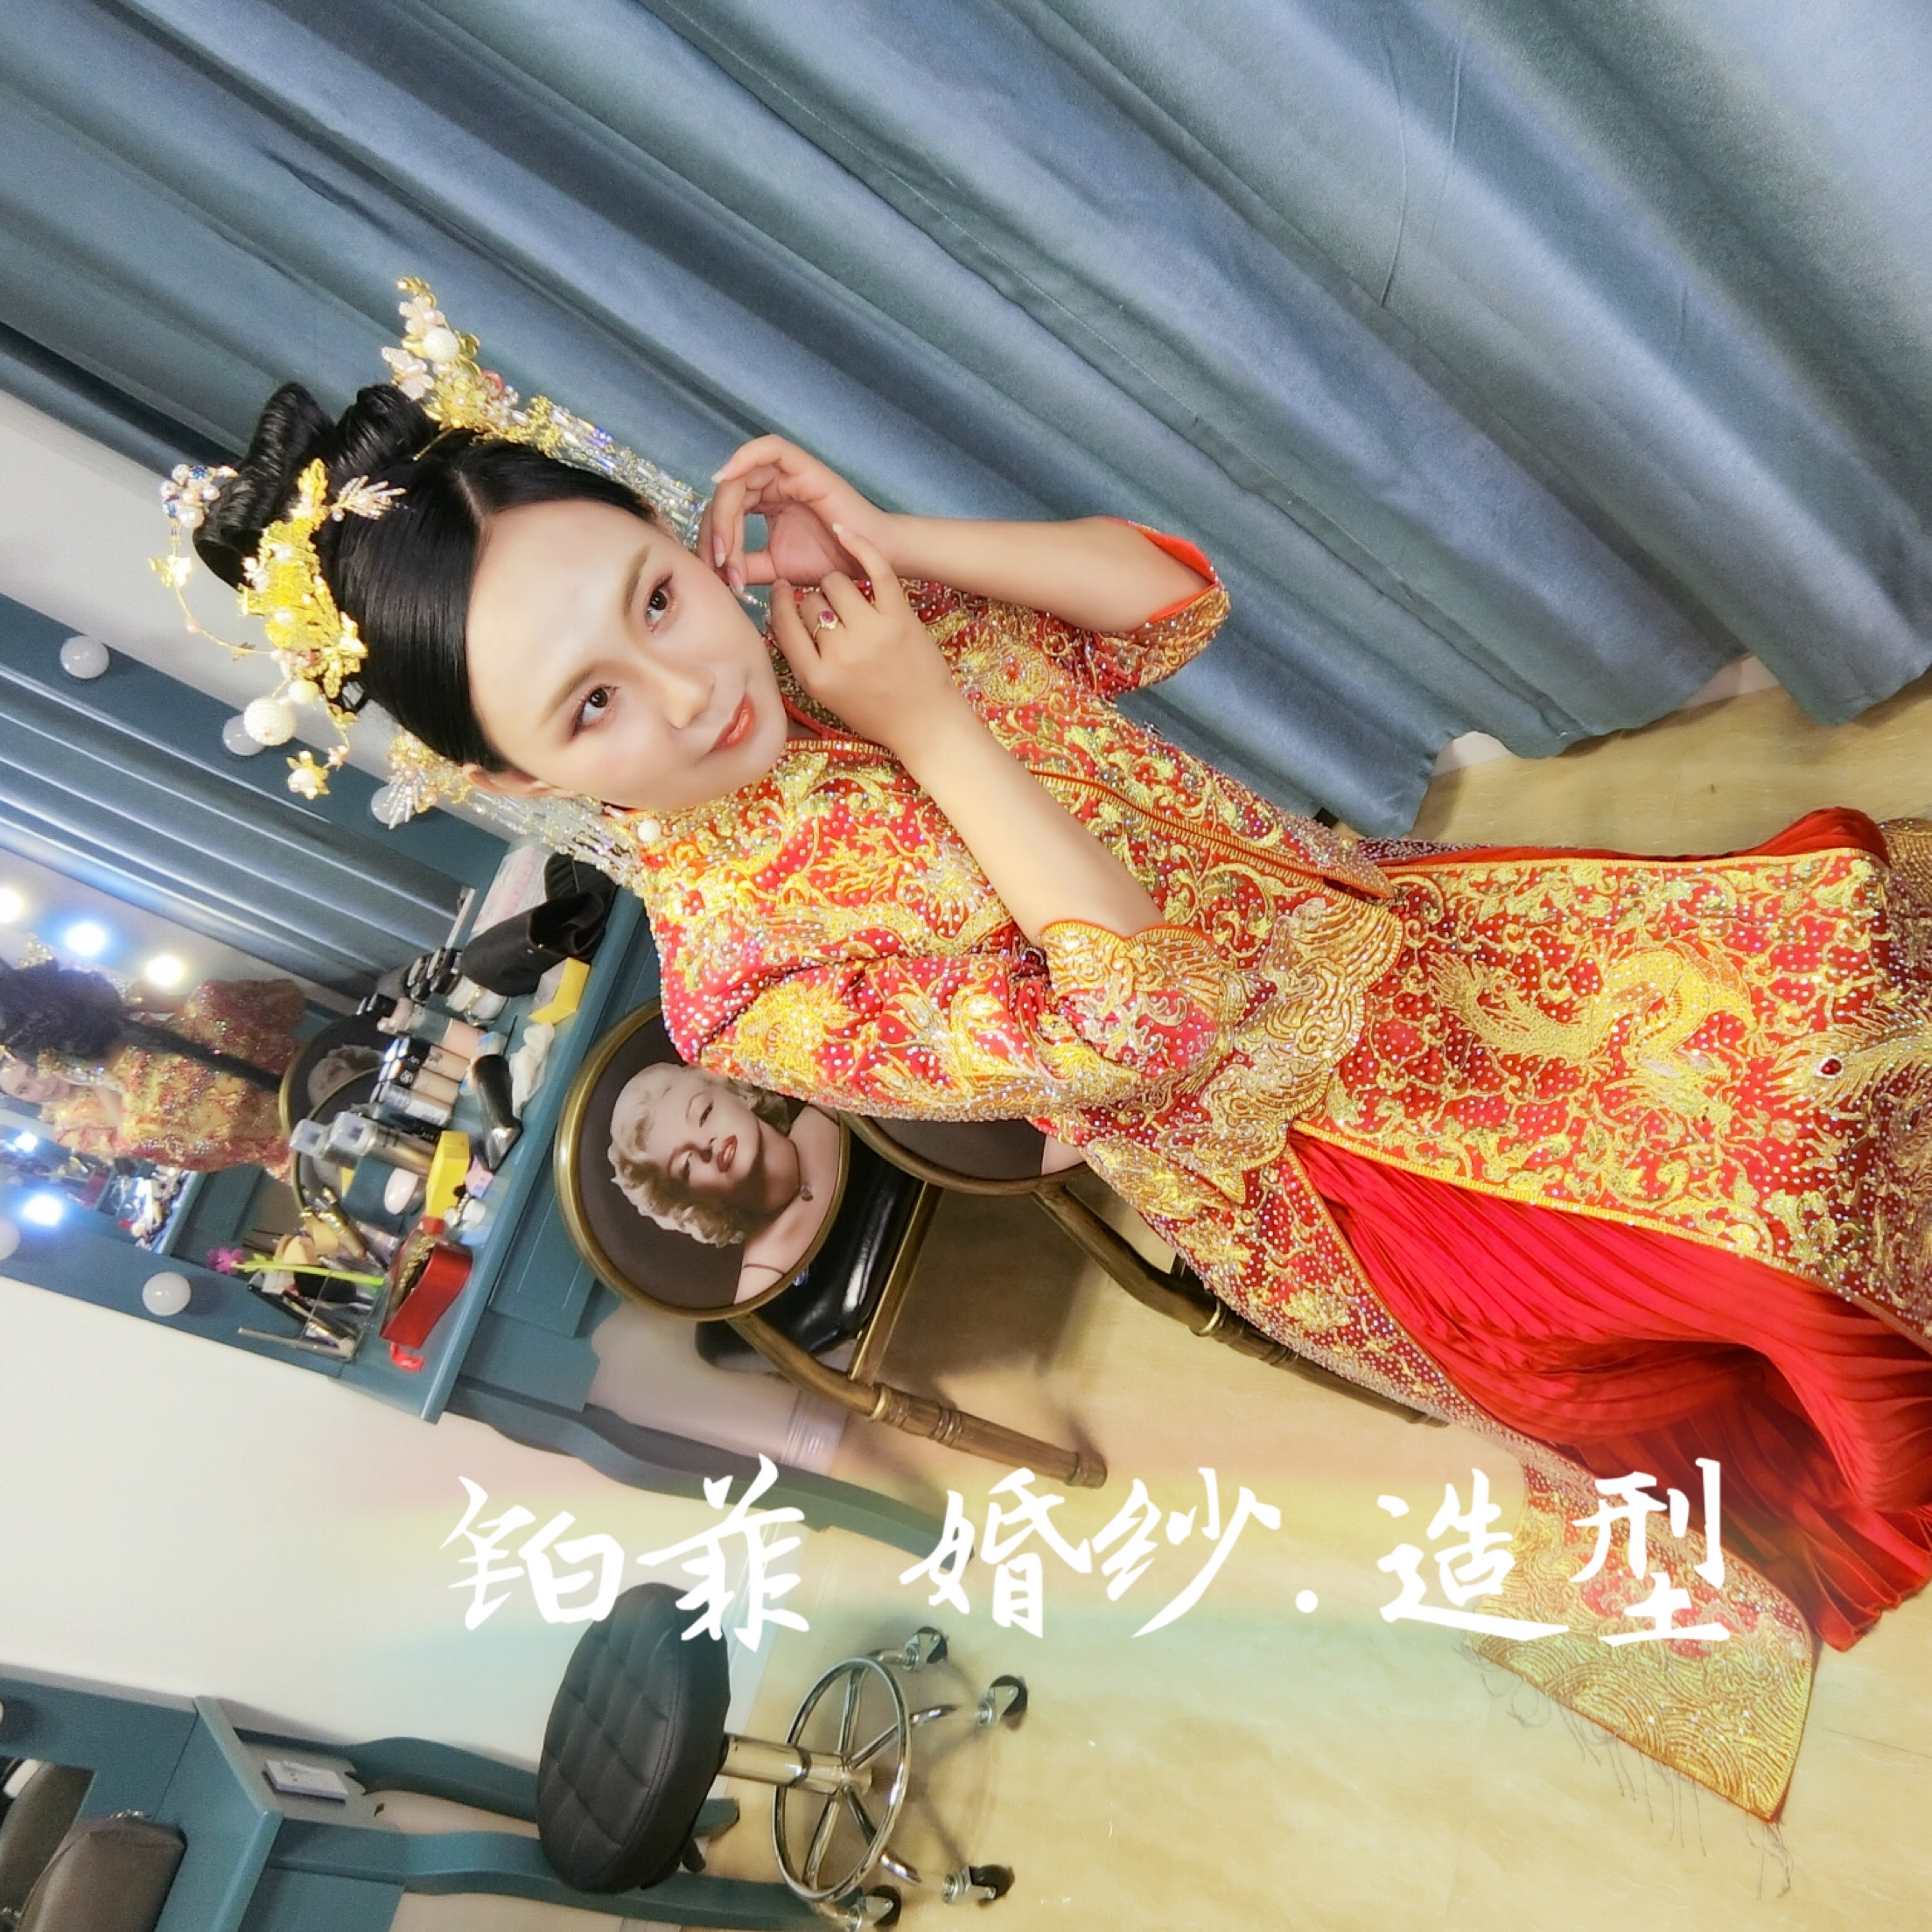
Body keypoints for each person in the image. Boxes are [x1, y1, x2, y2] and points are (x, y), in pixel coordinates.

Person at [186, 341, 1932, 1802]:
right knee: (1776, 1232)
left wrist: (884, 535)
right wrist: (931, 716)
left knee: (1841, 960)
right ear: (513, 783)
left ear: (675, 529)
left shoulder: (829, 626)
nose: (690, 686)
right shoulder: (744, 980)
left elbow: (1173, 597)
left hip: (1423, 939)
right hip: (1331, 1165)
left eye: (658, 593)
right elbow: (1147, 1028)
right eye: (591, 706)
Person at [0, 962, 301, 1174]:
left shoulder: (144, 1129)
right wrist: (174, 1002)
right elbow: (291, 998)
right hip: (330, 1079)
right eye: (23, 1088)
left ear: (57, 1064)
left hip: (313, 1159)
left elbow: (224, 1159)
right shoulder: (211, 1004)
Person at [607, 1059, 842, 1301]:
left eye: (704, 1114)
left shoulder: (837, 1100)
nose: (704, 1145)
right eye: (686, 1164)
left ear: (735, 1092)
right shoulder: (760, 1285)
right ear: (690, 1201)